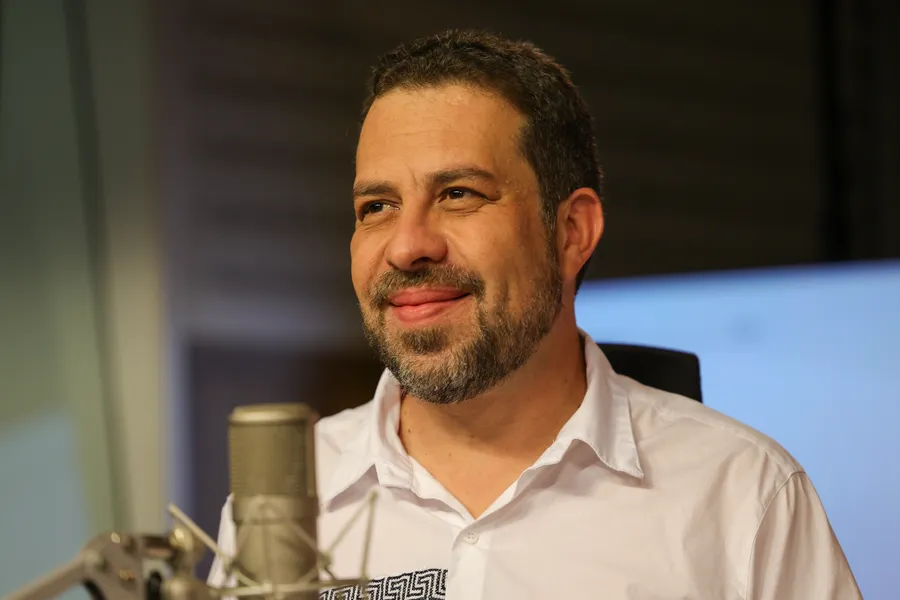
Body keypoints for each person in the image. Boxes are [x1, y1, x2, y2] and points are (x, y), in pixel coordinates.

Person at [208, 29, 861, 599]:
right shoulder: (281, 507)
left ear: (571, 231)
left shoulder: (745, 497)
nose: (406, 246)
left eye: (458, 194)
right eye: (376, 207)